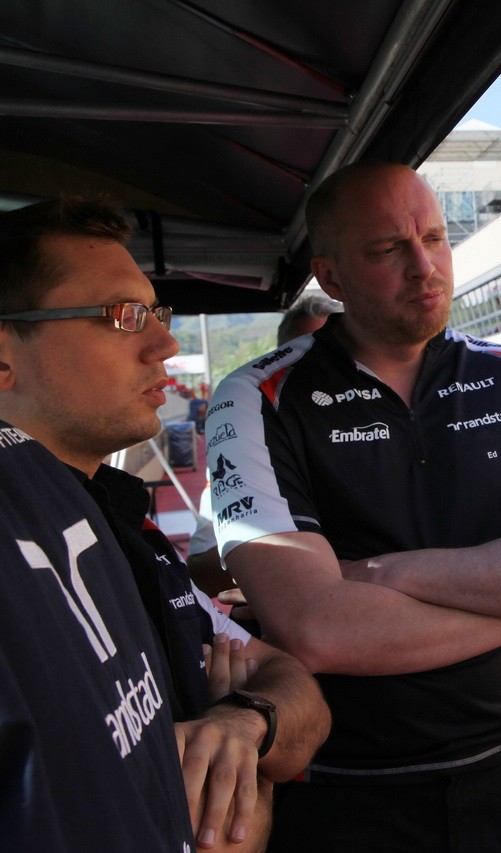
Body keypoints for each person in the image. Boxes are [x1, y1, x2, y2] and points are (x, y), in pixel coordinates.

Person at [204, 161, 501, 851]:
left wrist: (378, 573)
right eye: (388, 249)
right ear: (331, 278)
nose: (425, 266)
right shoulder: (255, 397)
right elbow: (315, 628)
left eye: (435, 237)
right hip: (346, 793)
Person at [0, 197, 331, 852]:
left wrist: (244, 724)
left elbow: (299, 693)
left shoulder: (127, 532)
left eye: (157, 312)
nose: (165, 343)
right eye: (123, 316)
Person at [0, 421, 195, 851]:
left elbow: (278, 671)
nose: (163, 350)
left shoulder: (115, 511)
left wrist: (247, 717)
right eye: (111, 345)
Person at [185, 293, 342, 600]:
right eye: (303, 354)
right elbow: (198, 573)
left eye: (336, 355)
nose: (324, 369)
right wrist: (263, 564)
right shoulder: (243, 444)